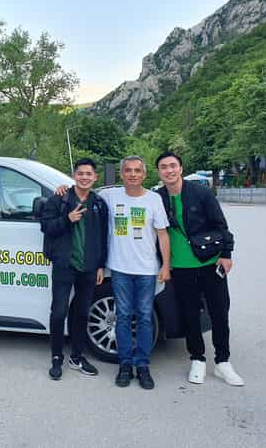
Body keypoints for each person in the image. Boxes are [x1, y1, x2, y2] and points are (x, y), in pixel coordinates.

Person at [155, 152, 243, 386]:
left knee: (219, 312)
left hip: (209, 263)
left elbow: (220, 224)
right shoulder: (157, 198)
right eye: (164, 167)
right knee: (189, 314)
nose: (169, 170)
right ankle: (197, 359)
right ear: (159, 172)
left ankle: (223, 362)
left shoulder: (201, 193)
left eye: (173, 166)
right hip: (180, 268)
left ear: (181, 168)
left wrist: (226, 253)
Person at [103, 156, 170, 390]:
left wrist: (166, 266)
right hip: (119, 269)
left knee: (143, 316)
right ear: (122, 174)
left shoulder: (154, 200)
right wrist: (63, 188)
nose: (132, 174)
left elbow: (163, 235)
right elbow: (83, 190)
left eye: (137, 171)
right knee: (122, 317)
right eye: (128, 170)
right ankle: (124, 365)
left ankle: (142, 365)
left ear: (144, 174)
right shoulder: (110, 196)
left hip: (146, 270)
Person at [41, 158, 108, 380]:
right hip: (64, 264)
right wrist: (67, 219)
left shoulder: (98, 203)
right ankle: (57, 357)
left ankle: (77, 357)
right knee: (59, 312)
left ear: (95, 177)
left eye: (89, 174)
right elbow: (46, 227)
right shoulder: (60, 199)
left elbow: (103, 237)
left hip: (89, 267)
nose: (85, 177)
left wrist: (100, 265)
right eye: (81, 173)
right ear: (74, 175)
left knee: (81, 313)